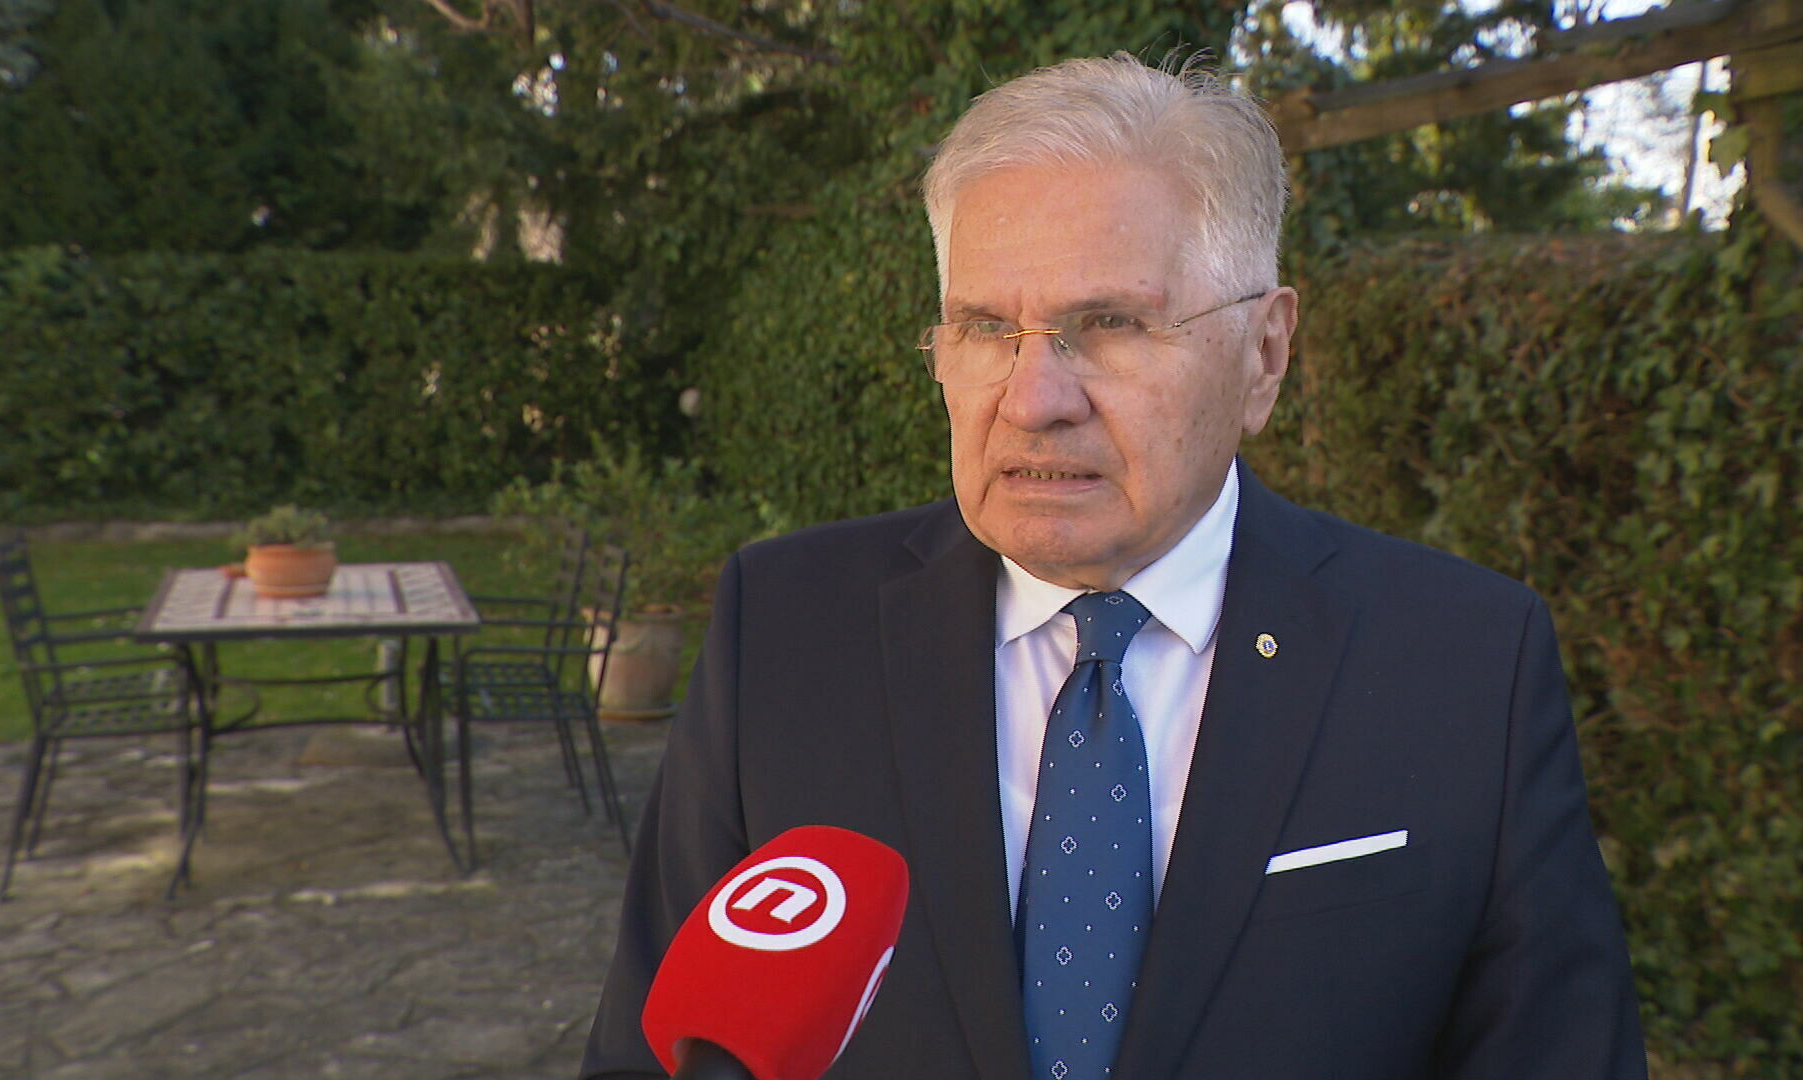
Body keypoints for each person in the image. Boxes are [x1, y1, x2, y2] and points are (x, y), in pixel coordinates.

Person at [581, 53, 1646, 1079]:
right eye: (985, 328)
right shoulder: (785, 630)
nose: (1033, 399)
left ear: (1265, 353)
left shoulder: (1466, 662)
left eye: (1109, 324)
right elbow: (651, 1053)